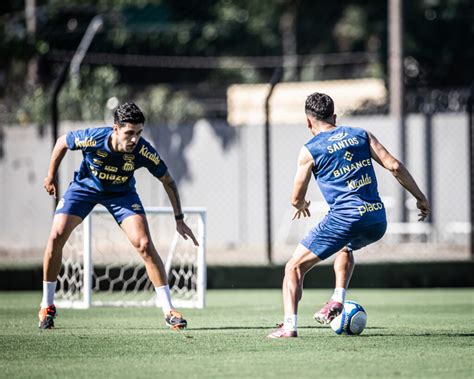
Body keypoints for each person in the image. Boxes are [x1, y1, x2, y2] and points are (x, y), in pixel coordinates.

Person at [267, 92, 430, 338]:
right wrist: (420, 197)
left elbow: (295, 198)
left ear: (308, 121)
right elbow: (394, 165)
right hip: (376, 219)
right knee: (346, 247)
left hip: (344, 218)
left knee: (293, 268)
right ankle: (337, 298)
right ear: (334, 116)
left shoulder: (310, 150)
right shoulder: (361, 135)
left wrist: (301, 204)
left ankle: (289, 326)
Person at [39, 102, 199, 330]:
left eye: (139, 133)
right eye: (129, 133)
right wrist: (51, 175)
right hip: (84, 189)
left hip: (122, 194)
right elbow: (62, 142)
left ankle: (169, 311)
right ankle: (47, 305)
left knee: (144, 244)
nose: (134, 139)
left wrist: (179, 218)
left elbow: (168, 181)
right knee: (56, 236)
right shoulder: (93, 138)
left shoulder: (143, 151)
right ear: (116, 129)